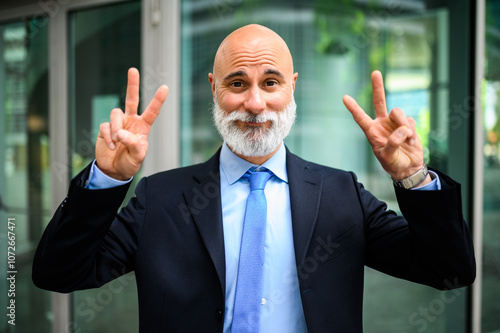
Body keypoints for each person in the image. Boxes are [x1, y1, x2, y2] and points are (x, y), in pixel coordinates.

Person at [33, 24, 475, 332]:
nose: (256, 103)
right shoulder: (160, 197)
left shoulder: (342, 194)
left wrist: (414, 177)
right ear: (214, 89)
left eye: (271, 82)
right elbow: (58, 273)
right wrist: (106, 179)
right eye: (238, 83)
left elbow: (450, 272)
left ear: (292, 87)